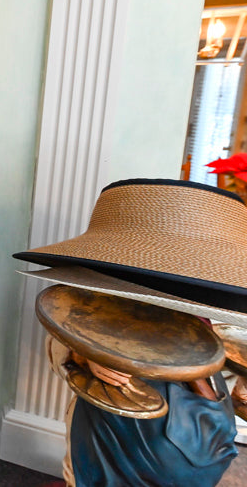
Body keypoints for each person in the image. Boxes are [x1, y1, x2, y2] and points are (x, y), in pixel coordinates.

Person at [15, 178, 247, 487]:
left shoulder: (212, 323)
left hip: (201, 449)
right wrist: (86, 355)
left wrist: (237, 383)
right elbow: (60, 343)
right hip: (113, 445)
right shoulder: (99, 312)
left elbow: (226, 367)